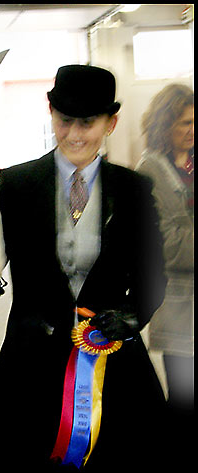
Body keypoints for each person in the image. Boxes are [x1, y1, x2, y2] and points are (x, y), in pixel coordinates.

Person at [0, 65, 167, 471]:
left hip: (110, 354)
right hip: (30, 358)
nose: (74, 134)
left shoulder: (134, 190)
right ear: (51, 114)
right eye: (65, 120)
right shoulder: (14, 184)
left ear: (110, 123)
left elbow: (153, 272)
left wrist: (135, 314)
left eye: (88, 122)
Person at [135, 84, 193, 452]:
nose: (192, 129)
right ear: (164, 123)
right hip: (180, 312)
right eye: (184, 122)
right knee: (186, 407)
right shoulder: (151, 172)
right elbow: (167, 246)